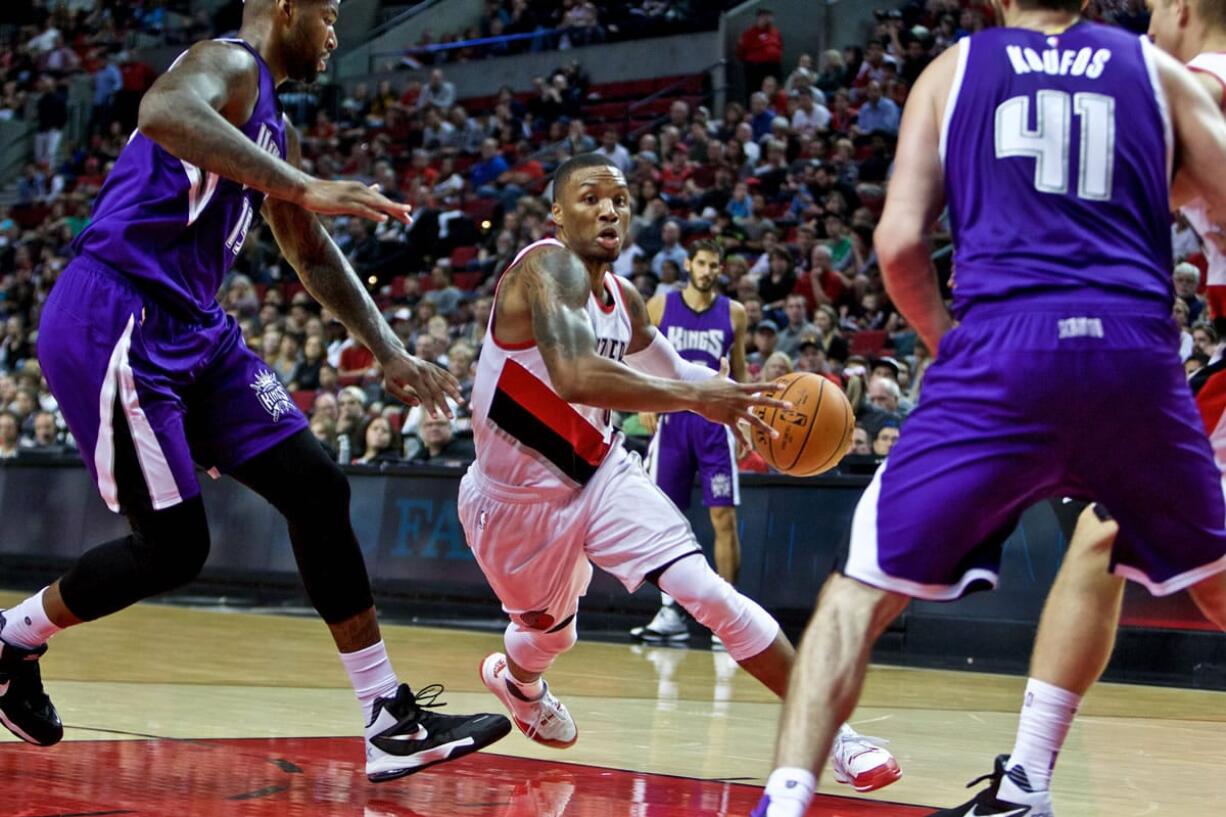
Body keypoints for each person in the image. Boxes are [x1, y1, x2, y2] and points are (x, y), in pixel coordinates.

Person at [0, 0, 510, 785]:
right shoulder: (229, 63)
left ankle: (387, 719)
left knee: (317, 485)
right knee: (173, 547)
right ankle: (13, 640)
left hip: (197, 328)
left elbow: (308, 249)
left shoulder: (271, 123)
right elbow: (163, 109)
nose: (336, 31)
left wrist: (390, 350)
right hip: (119, 315)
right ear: (285, 6)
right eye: (330, 12)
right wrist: (305, 185)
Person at [754, 1, 1226, 815]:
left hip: (1002, 347)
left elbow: (900, 246)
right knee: (1212, 581)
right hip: (1131, 351)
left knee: (857, 590)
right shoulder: (1153, 72)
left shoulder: (955, 69)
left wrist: (947, 345)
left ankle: (786, 799)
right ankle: (1027, 784)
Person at [459, 153, 899, 791]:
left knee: (709, 592)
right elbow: (577, 374)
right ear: (557, 212)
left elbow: (676, 373)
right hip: (513, 504)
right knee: (547, 640)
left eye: (620, 199)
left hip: (602, 471)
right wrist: (698, 400)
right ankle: (517, 681)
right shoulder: (543, 267)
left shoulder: (626, 300)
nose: (609, 210)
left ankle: (835, 736)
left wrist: (743, 398)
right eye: (590, 198)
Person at [923, 3, 1226, 815]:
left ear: (1186, 10)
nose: (1146, 21)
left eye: (1157, 6)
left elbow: (1085, 201)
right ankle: (1027, 782)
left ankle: (1027, 783)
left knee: (1139, 547)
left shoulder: (1196, 87)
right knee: (1107, 536)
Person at [628, 241, 750, 646]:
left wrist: (744, 420)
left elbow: (742, 372)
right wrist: (643, 397)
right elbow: (634, 353)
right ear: (688, 265)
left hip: (714, 426)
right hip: (673, 420)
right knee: (666, 521)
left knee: (724, 519)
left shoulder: (735, 312)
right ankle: (669, 614)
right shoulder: (662, 304)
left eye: (715, 265)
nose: (708, 270)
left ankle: (730, 614)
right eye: (701, 263)